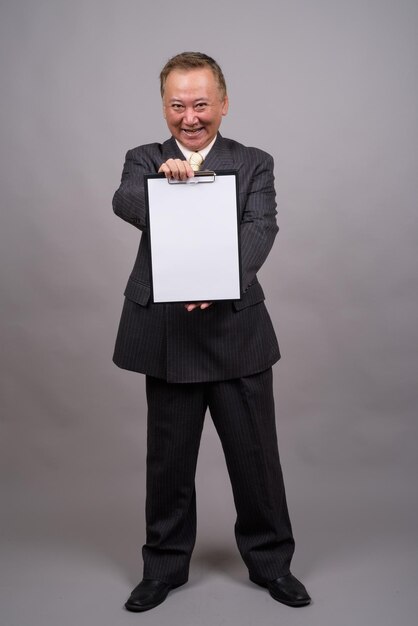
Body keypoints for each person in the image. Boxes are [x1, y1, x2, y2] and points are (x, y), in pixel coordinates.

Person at [112, 51, 310, 612]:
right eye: (177, 105)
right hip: (169, 335)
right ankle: (164, 569)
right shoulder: (143, 159)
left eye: (201, 103)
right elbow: (125, 200)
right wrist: (165, 181)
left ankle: (272, 564)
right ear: (164, 107)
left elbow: (261, 227)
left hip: (237, 333)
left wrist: (220, 278)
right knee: (168, 463)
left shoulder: (253, 162)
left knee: (256, 460)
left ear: (223, 104)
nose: (189, 116)